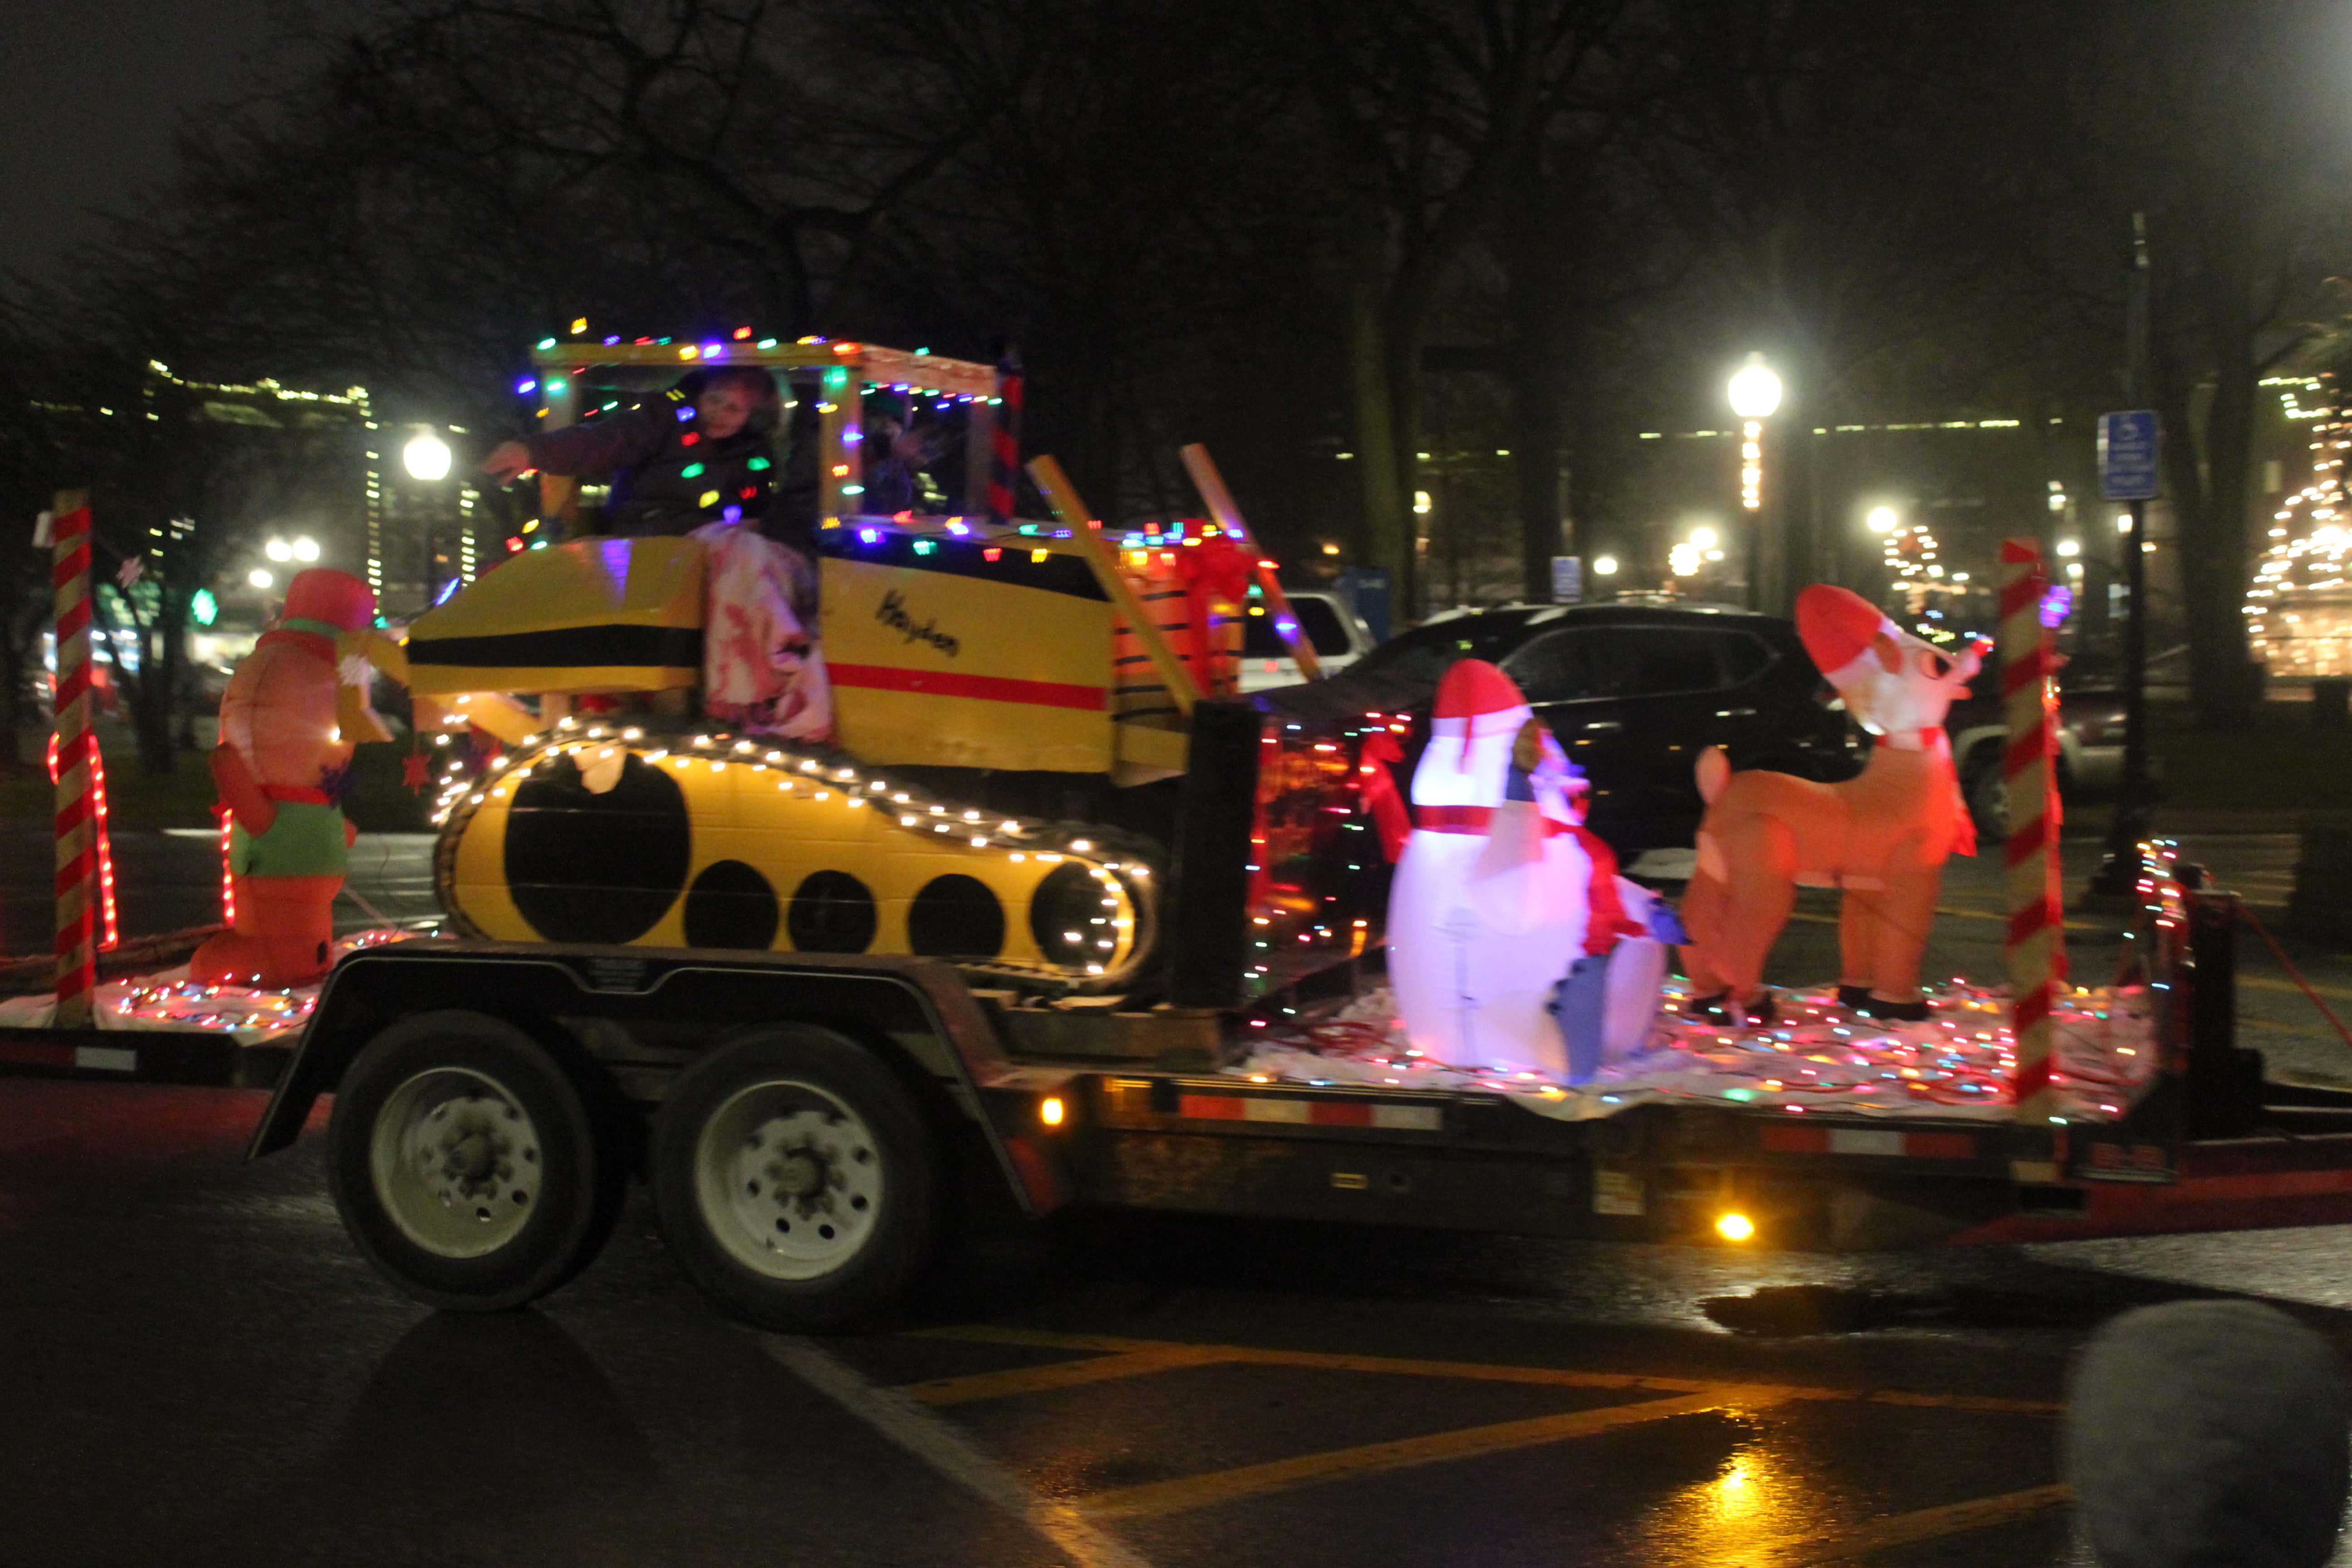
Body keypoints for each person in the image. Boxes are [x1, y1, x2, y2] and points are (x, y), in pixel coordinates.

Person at [480, 367, 786, 539]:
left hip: (722, 555)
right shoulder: (661, 421)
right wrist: (531, 451)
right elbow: (604, 441)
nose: (718, 413)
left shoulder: (756, 456)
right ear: (700, 393)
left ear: (752, 416)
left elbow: (761, 511)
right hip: (649, 545)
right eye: (715, 399)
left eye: (733, 409)